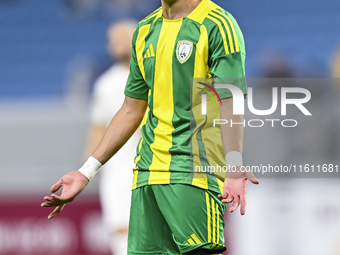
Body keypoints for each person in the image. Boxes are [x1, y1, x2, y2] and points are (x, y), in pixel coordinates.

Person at [42, 0, 259, 254]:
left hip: (194, 170)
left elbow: (230, 100)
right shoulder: (146, 29)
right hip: (146, 174)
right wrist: (85, 172)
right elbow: (131, 109)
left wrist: (233, 166)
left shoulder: (218, 25)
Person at [83, 20, 138, 255]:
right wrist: (88, 168)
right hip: (116, 168)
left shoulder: (157, 75)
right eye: (113, 40)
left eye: (123, 38)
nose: (117, 44)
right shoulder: (105, 84)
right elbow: (97, 125)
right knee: (119, 226)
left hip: (155, 164)